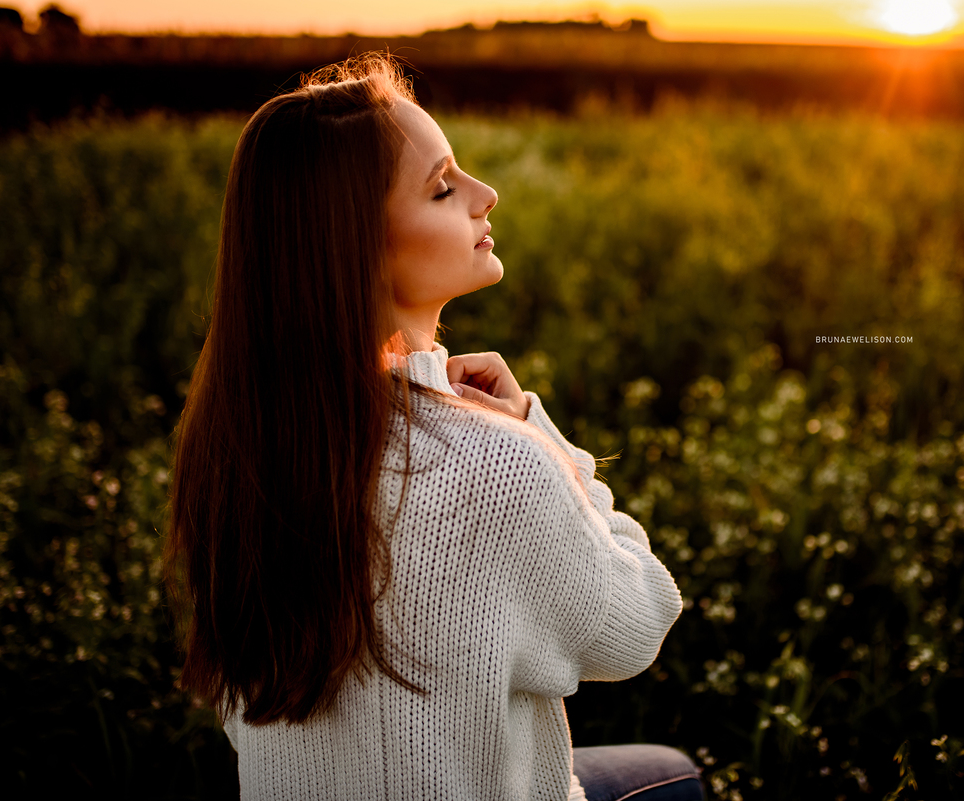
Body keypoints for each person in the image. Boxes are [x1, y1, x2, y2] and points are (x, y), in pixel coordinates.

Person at [164, 55, 701, 801]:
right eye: (444, 187)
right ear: (354, 247)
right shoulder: (489, 463)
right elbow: (641, 620)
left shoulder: (237, 448)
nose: (487, 195)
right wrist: (535, 432)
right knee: (676, 775)